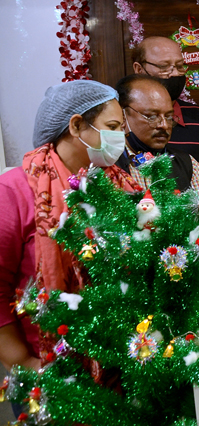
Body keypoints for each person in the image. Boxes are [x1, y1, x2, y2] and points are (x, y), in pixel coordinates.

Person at [0, 81, 135, 414]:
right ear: (76, 126)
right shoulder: (15, 191)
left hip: (121, 369)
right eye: (113, 127)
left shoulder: (116, 186)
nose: (121, 137)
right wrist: (25, 362)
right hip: (48, 373)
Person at [113, 74, 199, 300]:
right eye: (151, 116)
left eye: (168, 116)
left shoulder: (187, 164)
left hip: (183, 293)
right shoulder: (112, 167)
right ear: (123, 115)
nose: (163, 125)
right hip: (130, 295)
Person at [131, 36, 199, 226]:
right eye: (164, 67)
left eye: (180, 66)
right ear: (139, 69)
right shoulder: (121, 120)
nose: (174, 74)